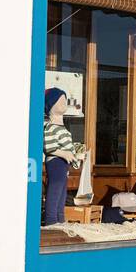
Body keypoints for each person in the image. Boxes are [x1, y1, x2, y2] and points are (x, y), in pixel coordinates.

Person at [43, 87, 79, 225]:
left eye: (64, 99)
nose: (64, 102)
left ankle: (60, 219)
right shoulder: (51, 127)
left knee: (62, 192)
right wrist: (64, 153)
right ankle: (51, 220)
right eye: (60, 100)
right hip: (56, 162)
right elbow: (49, 147)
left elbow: (69, 147)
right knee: (55, 190)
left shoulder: (62, 127)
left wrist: (76, 157)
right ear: (51, 105)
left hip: (64, 164)